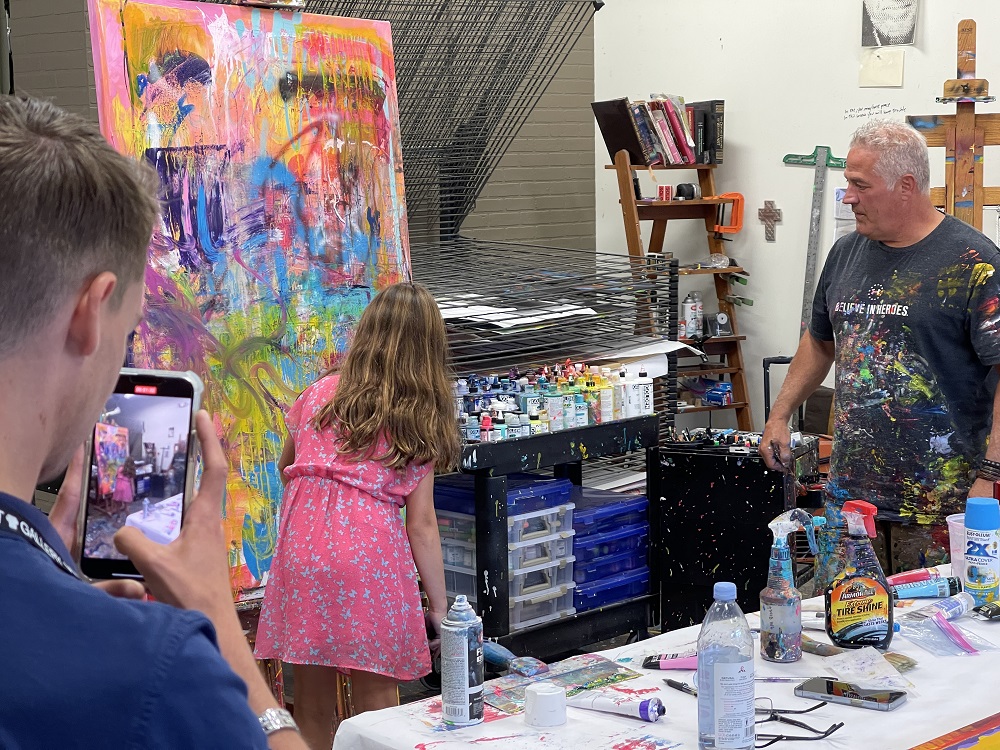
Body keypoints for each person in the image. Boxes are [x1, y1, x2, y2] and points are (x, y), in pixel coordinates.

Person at [0, 95, 307, 749]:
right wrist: (215, 623)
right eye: (129, 330)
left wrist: (39, 563)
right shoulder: (156, 673)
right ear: (92, 310)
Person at [761, 119, 1000, 587]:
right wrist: (780, 414)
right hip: (850, 502)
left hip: (940, 504)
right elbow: (819, 339)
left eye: (859, 184)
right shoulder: (846, 253)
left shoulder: (975, 263)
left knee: (937, 639)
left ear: (906, 186)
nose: (848, 196)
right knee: (844, 630)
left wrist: (991, 474)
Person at [255, 282, 460, 749]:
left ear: (366, 332)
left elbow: (287, 464)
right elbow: (422, 523)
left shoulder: (319, 393)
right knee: (377, 700)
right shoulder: (417, 413)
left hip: (303, 553)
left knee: (309, 702)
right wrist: (440, 605)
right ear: (429, 347)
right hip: (368, 558)